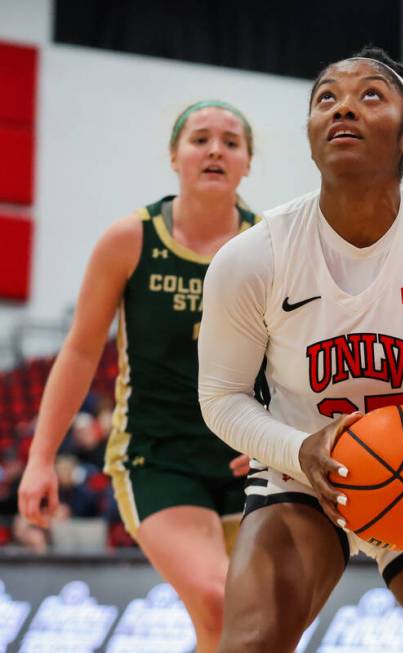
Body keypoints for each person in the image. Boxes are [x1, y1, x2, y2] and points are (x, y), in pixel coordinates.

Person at [197, 47, 403, 653]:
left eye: (370, 94)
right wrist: (298, 450)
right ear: (310, 134)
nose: (343, 106)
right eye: (326, 97)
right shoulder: (253, 257)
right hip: (303, 477)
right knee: (249, 643)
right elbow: (221, 397)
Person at [18, 100, 259, 652]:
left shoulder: (269, 243)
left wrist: (285, 436)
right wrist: (41, 459)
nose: (215, 149)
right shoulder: (129, 240)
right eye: (200, 139)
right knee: (223, 601)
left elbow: (297, 356)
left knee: (241, 629)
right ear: (174, 156)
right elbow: (79, 353)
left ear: (247, 163)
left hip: (250, 456)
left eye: (231, 141)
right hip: (158, 456)